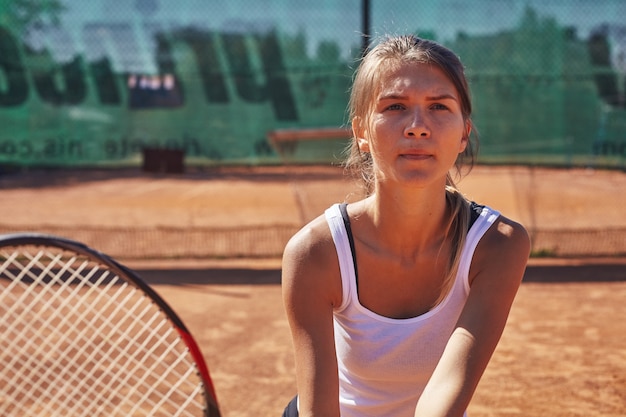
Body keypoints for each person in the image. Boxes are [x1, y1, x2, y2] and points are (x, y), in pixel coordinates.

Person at [281, 35, 530, 417]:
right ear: (361, 131)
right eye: (395, 106)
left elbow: (444, 400)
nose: (417, 126)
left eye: (439, 107)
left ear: (464, 132)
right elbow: (319, 411)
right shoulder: (314, 253)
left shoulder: (499, 246)